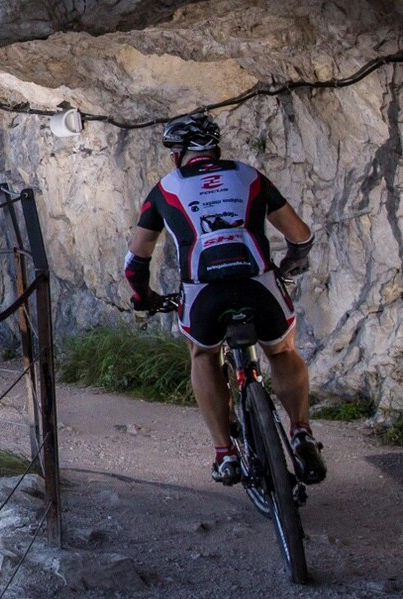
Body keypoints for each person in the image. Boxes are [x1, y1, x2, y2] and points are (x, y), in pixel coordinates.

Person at [122, 111, 322, 486]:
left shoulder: (164, 189)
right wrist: (289, 266)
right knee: (281, 351)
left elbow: (136, 261)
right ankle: (301, 432)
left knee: (203, 355)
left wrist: (143, 297)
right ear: (214, 148)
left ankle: (225, 454)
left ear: (180, 153)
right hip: (258, 285)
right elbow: (301, 235)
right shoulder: (248, 176)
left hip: (204, 294)